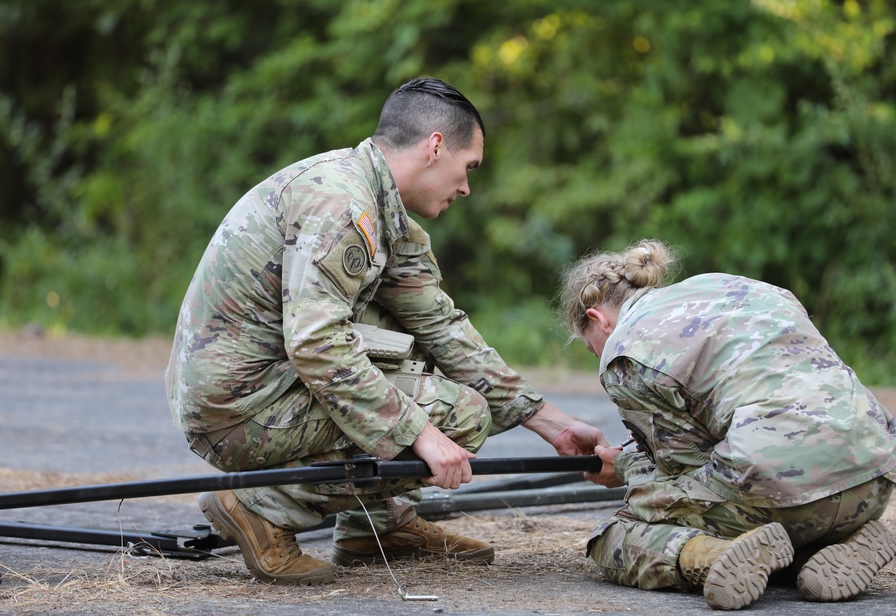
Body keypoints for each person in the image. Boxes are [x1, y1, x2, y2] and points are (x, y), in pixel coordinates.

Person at [165, 77, 606, 586]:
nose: (466, 187)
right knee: (460, 416)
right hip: (240, 410)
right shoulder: (343, 208)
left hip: (267, 388)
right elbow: (316, 345)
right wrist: (422, 434)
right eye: (469, 168)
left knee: (413, 334)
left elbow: (442, 328)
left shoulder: (386, 217)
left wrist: (551, 424)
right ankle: (259, 506)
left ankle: (378, 525)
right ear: (435, 147)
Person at [559, 239, 896, 611]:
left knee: (623, 527)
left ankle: (713, 558)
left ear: (597, 319)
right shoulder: (732, 286)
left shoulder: (623, 350)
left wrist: (623, 468)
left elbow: (681, 469)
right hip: (874, 474)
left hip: (787, 487)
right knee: (755, 491)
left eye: (590, 346)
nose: (597, 352)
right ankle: (836, 544)